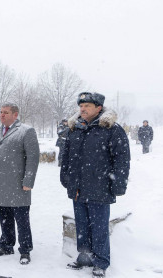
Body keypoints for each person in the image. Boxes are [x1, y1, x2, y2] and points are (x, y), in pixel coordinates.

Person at [61, 92, 130, 278]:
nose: (82, 109)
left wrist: (119, 185)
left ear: (98, 108)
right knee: (82, 226)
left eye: (87, 106)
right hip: (77, 188)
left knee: (99, 228)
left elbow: (122, 159)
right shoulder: (75, 129)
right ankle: (84, 257)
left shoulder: (112, 129)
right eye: (81, 106)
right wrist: (65, 177)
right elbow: (66, 157)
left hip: (100, 187)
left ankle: (100, 262)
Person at [0, 103, 40, 265]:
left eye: (6, 112)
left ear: (15, 114)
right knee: (4, 217)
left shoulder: (26, 131)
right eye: (1, 112)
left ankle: (25, 249)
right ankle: (6, 245)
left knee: (21, 219)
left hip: (18, 185)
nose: (2, 115)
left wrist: (28, 181)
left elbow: (33, 159)